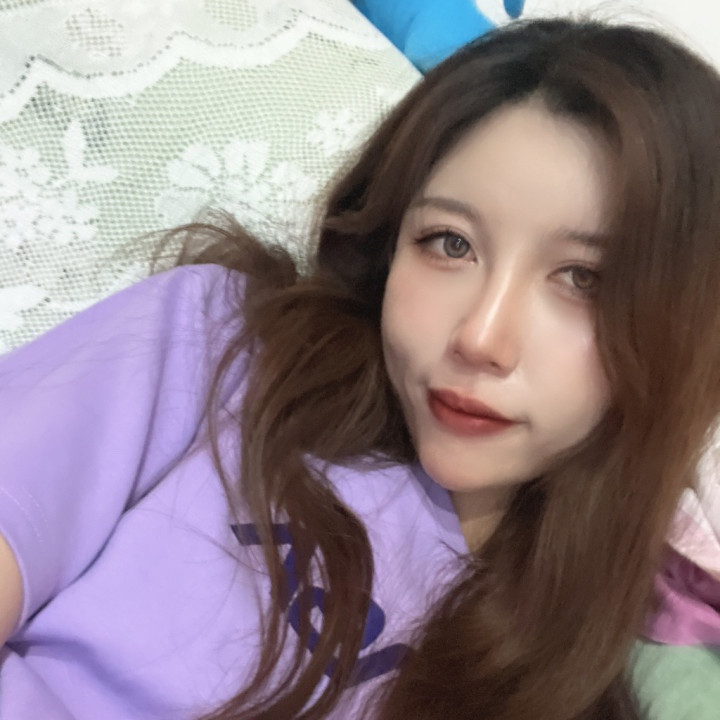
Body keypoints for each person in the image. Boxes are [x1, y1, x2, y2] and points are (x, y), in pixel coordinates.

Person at [1, 16, 720, 720]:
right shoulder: (225, 343)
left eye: (584, 280)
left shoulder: (591, 658)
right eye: (449, 243)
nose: (480, 338)